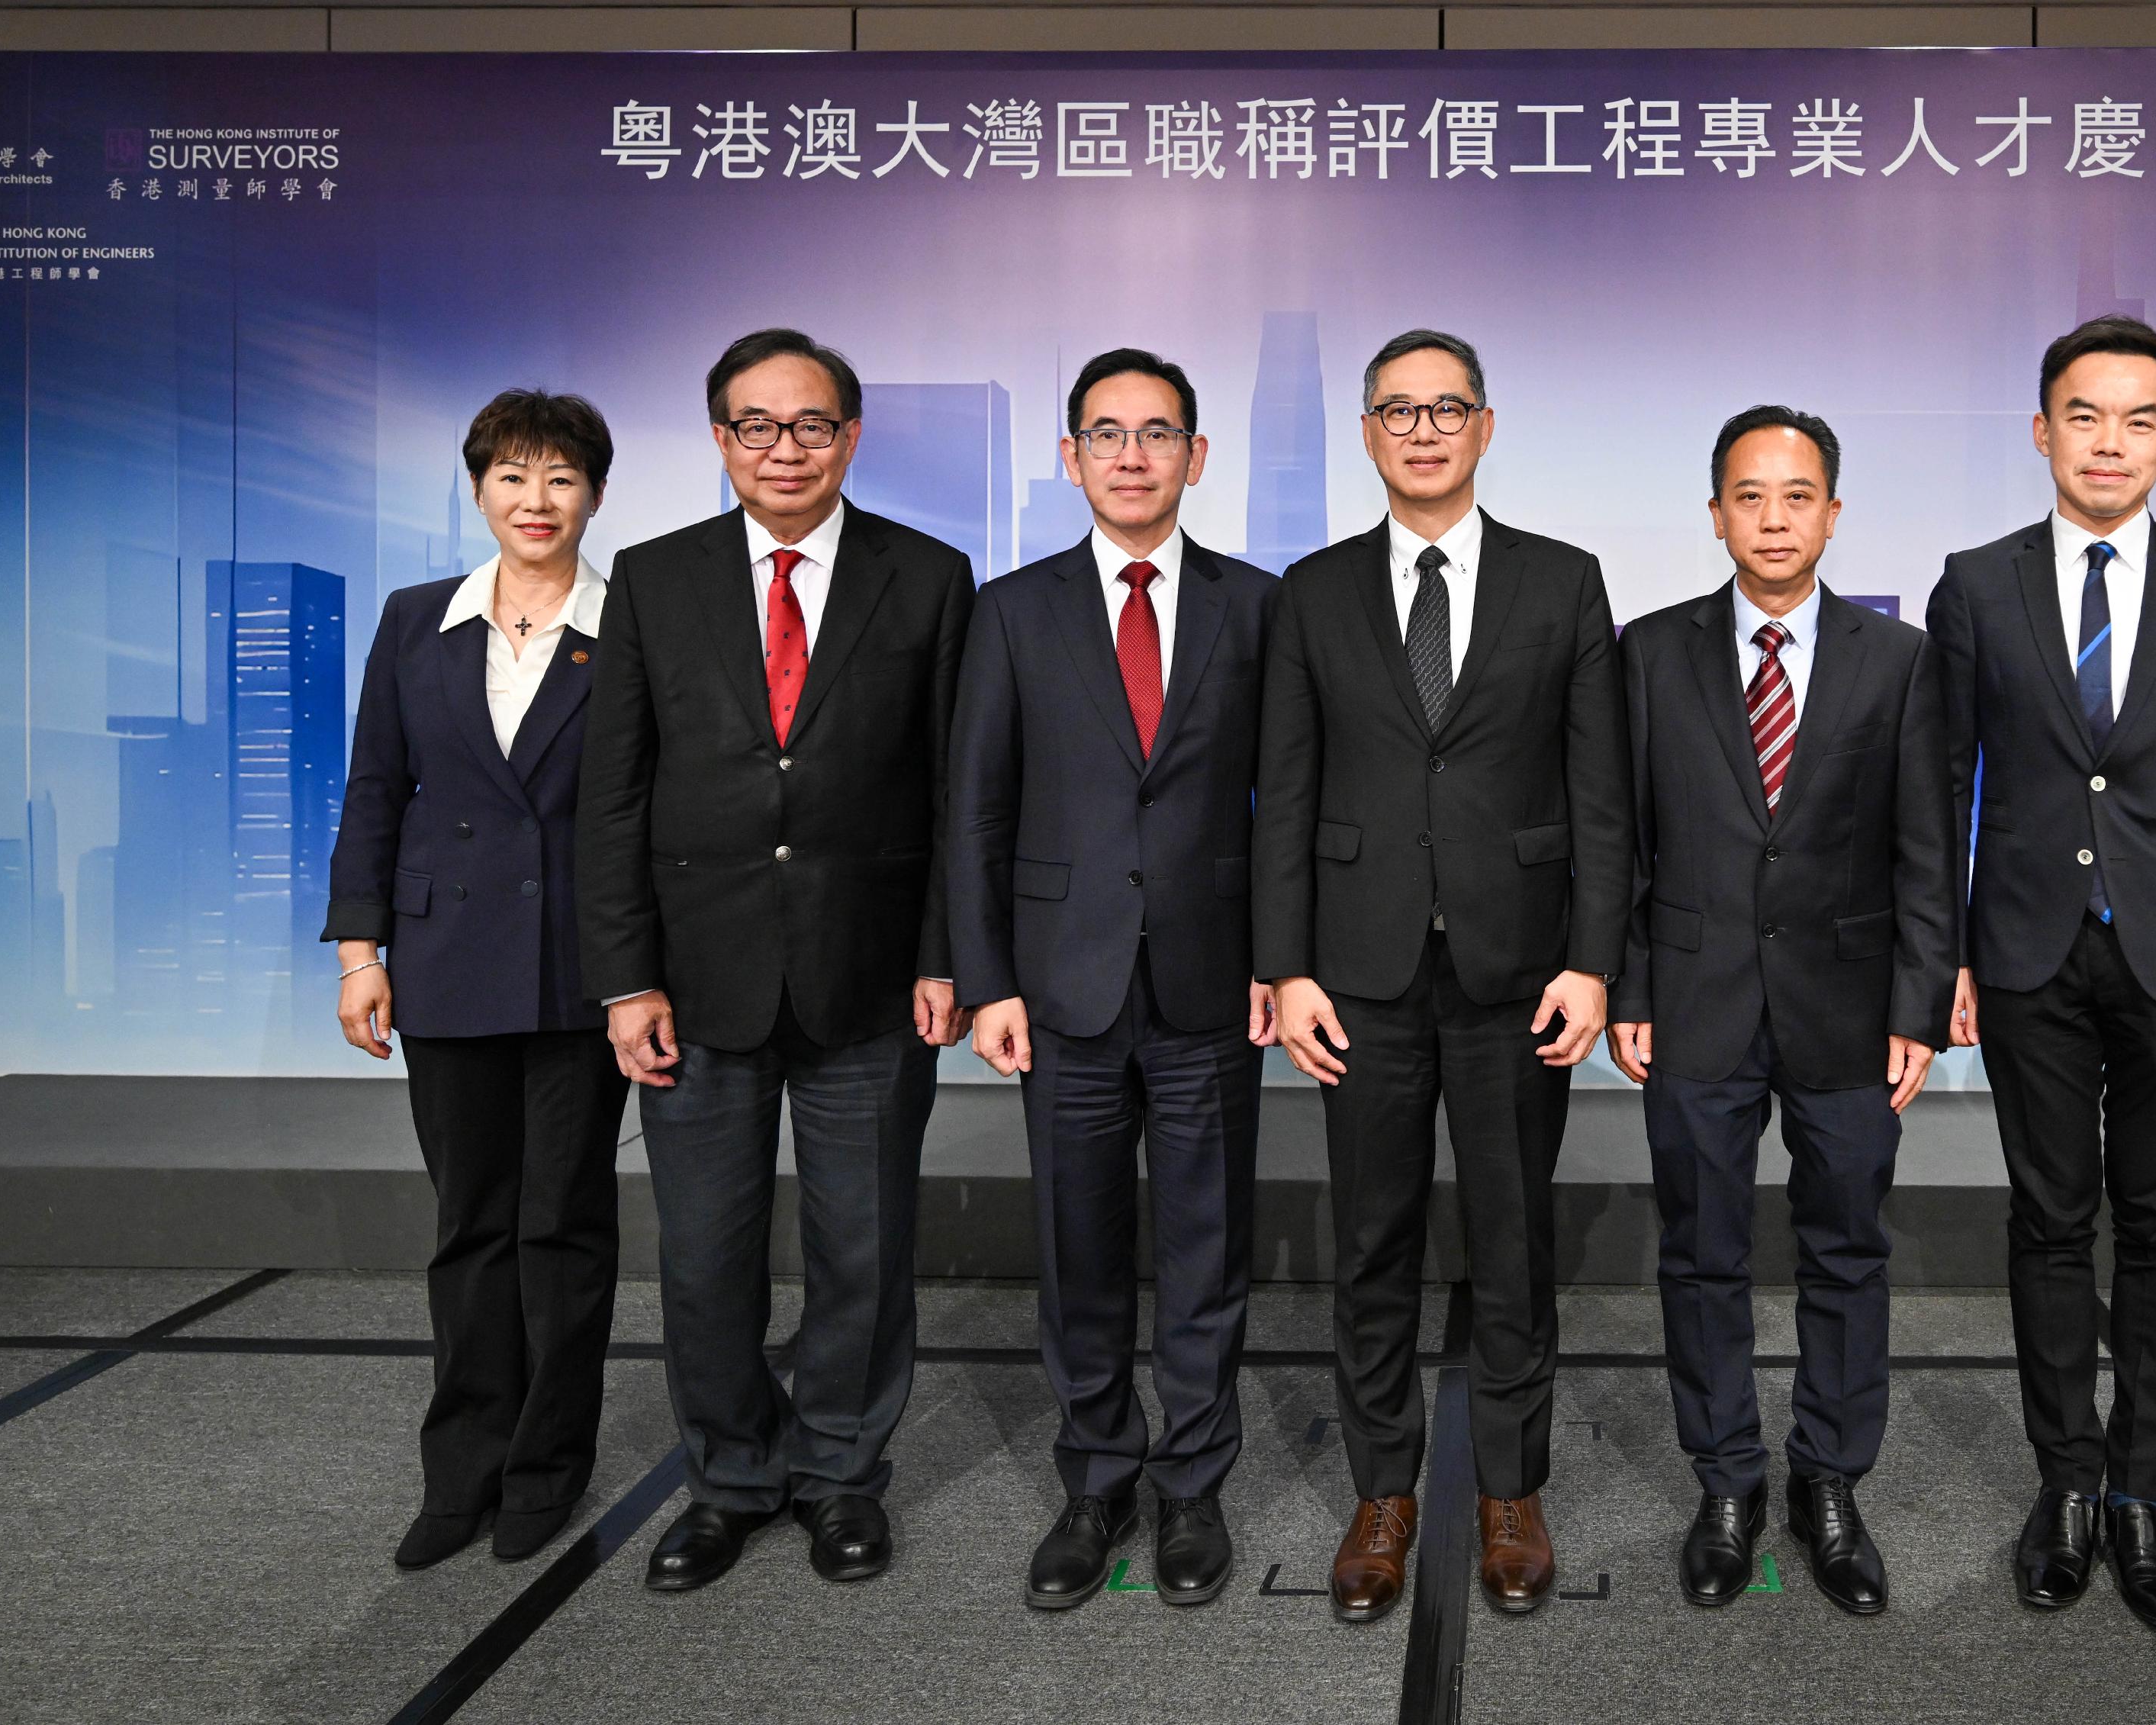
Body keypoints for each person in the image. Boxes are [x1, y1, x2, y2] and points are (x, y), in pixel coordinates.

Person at [578, 328, 973, 1592]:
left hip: (872, 976)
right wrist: (627, 978)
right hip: (695, 983)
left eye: (810, 425)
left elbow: (955, 791)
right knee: (703, 1255)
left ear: (851, 436)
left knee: (862, 1247)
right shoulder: (653, 577)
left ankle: (844, 1472)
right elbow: (613, 796)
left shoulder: (929, 575)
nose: (785, 448)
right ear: (719, 439)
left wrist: (943, 952)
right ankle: (733, 1476)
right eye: (757, 424)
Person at [1255, 328, 1632, 1621]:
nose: (1422, 429)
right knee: (1372, 1242)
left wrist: (1594, 962)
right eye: (1396, 410)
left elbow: (1602, 796)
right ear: (1366, 433)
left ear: (1485, 425)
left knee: (1516, 1243)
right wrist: (1286, 965)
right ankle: (1384, 1490)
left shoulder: (1564, 582)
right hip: (1355, 977)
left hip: (1518, 971)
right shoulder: (1308, 590)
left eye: (1446, 407)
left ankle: (1511, 1491)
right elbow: (1283, 796)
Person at [1927, 315, 2156, 1633]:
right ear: (2042, 430)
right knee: (2045, 1218)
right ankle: (2064, 1485)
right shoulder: (1978, 581)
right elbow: (1938, 788)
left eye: (2140, 421)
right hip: (2025, 951)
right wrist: (1945, 959)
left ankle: (2142, 1494)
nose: (2110, 442)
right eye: (2085, 416)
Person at [950, 349, 1281, 1611]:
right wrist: (986, 979)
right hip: (1061, 989)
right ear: (1071, 457)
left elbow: (1286, 807)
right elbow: (973, 812)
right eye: (1106, 433)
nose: (1131, 455)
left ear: (1198, 457)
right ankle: (1095, 1477)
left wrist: (1278, 960)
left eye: (1157, 434)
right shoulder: (1012, 611)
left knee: (1206, 1249)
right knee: (1077, 1246)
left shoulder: (1259, 608)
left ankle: (1193, 1482)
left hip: (1210, 983)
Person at [1611, 407, 1955, 1616]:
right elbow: (1625, 843)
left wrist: (1918, 1000)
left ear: (1833, 513)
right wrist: (1632, 985)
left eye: (1796, 496)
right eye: (1748, 496)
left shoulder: (1898, 660)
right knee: (1700, 1252)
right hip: (1694, 1004)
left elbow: (1927, 850)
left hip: (1851, 1010)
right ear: (1714, 512)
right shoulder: (1646, 653)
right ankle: (1725, 1480)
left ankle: (1830, 1482)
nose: (1772, 518)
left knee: (1848, 1251)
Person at [329, 389, 629, 1570]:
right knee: (469, 1228)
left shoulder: (634, 618)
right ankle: (460, 1469)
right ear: (477, 489)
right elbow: (372, 790)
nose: (536, 500)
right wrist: (361, 952)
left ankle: (548, 1465)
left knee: (560, 1224)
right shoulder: (416, 620)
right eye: (512, 475)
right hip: (443, 958)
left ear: (595, 491)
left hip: (579, 968)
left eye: (560, 477)